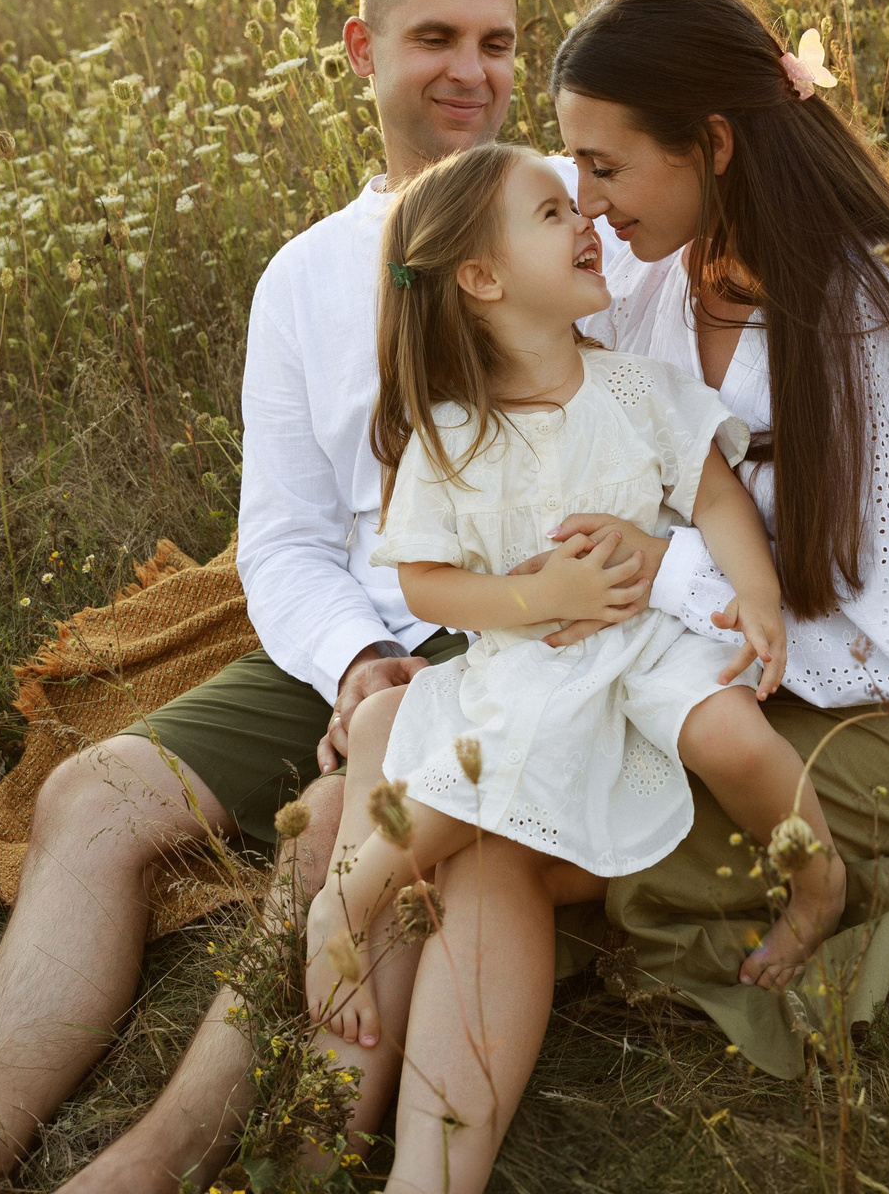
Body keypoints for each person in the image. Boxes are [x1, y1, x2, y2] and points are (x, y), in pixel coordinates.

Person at [0, 0, 889, 1194]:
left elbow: (780, 449)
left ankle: (207, 1154)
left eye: (496, 43)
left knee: (393, 822)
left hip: (586, 629)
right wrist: (360, 658)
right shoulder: (332, 273)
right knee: (122, 797)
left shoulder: (606, 240)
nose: (473, 74)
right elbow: (286, 535)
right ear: (363, 51)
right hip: (433, 617)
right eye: (435, 39)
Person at [320, 0, 889, 1194]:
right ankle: (334, 1132)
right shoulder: (642, 271)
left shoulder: (877, 318)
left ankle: (383, 1150)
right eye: (571, 178)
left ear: (714, 145)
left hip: (866, 703)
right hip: (678, 665)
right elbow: (546, 429)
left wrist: (659, 573)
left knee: (497, 837)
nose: (586, 202)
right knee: (475, 801)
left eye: (603, 168)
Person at [304, 144, 845, 1056]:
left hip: (653, 634)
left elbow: (716, 497)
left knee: (732, 736)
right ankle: (343, 904)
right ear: (482, 279)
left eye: (577, 208)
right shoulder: (449, 435)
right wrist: (537, 597)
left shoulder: (636, 387)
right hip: (538, 656)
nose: (585, 222)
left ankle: (818, 880)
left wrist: (756, 591)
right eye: (552, 214)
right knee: (474, 785)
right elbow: (425, 582)